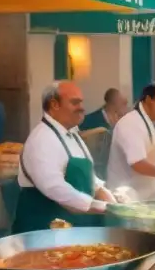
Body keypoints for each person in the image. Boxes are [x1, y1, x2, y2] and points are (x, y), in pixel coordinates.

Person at [13, 82, 115, 232]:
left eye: (81, 102)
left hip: (76, 228)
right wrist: (104, 207)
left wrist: (105, 194)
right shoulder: (41, 139)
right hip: (44, 230)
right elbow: (56, 189)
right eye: (75, 102)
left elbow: (89, 178)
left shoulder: (73, 134)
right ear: (54, 104)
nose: (82, 107)